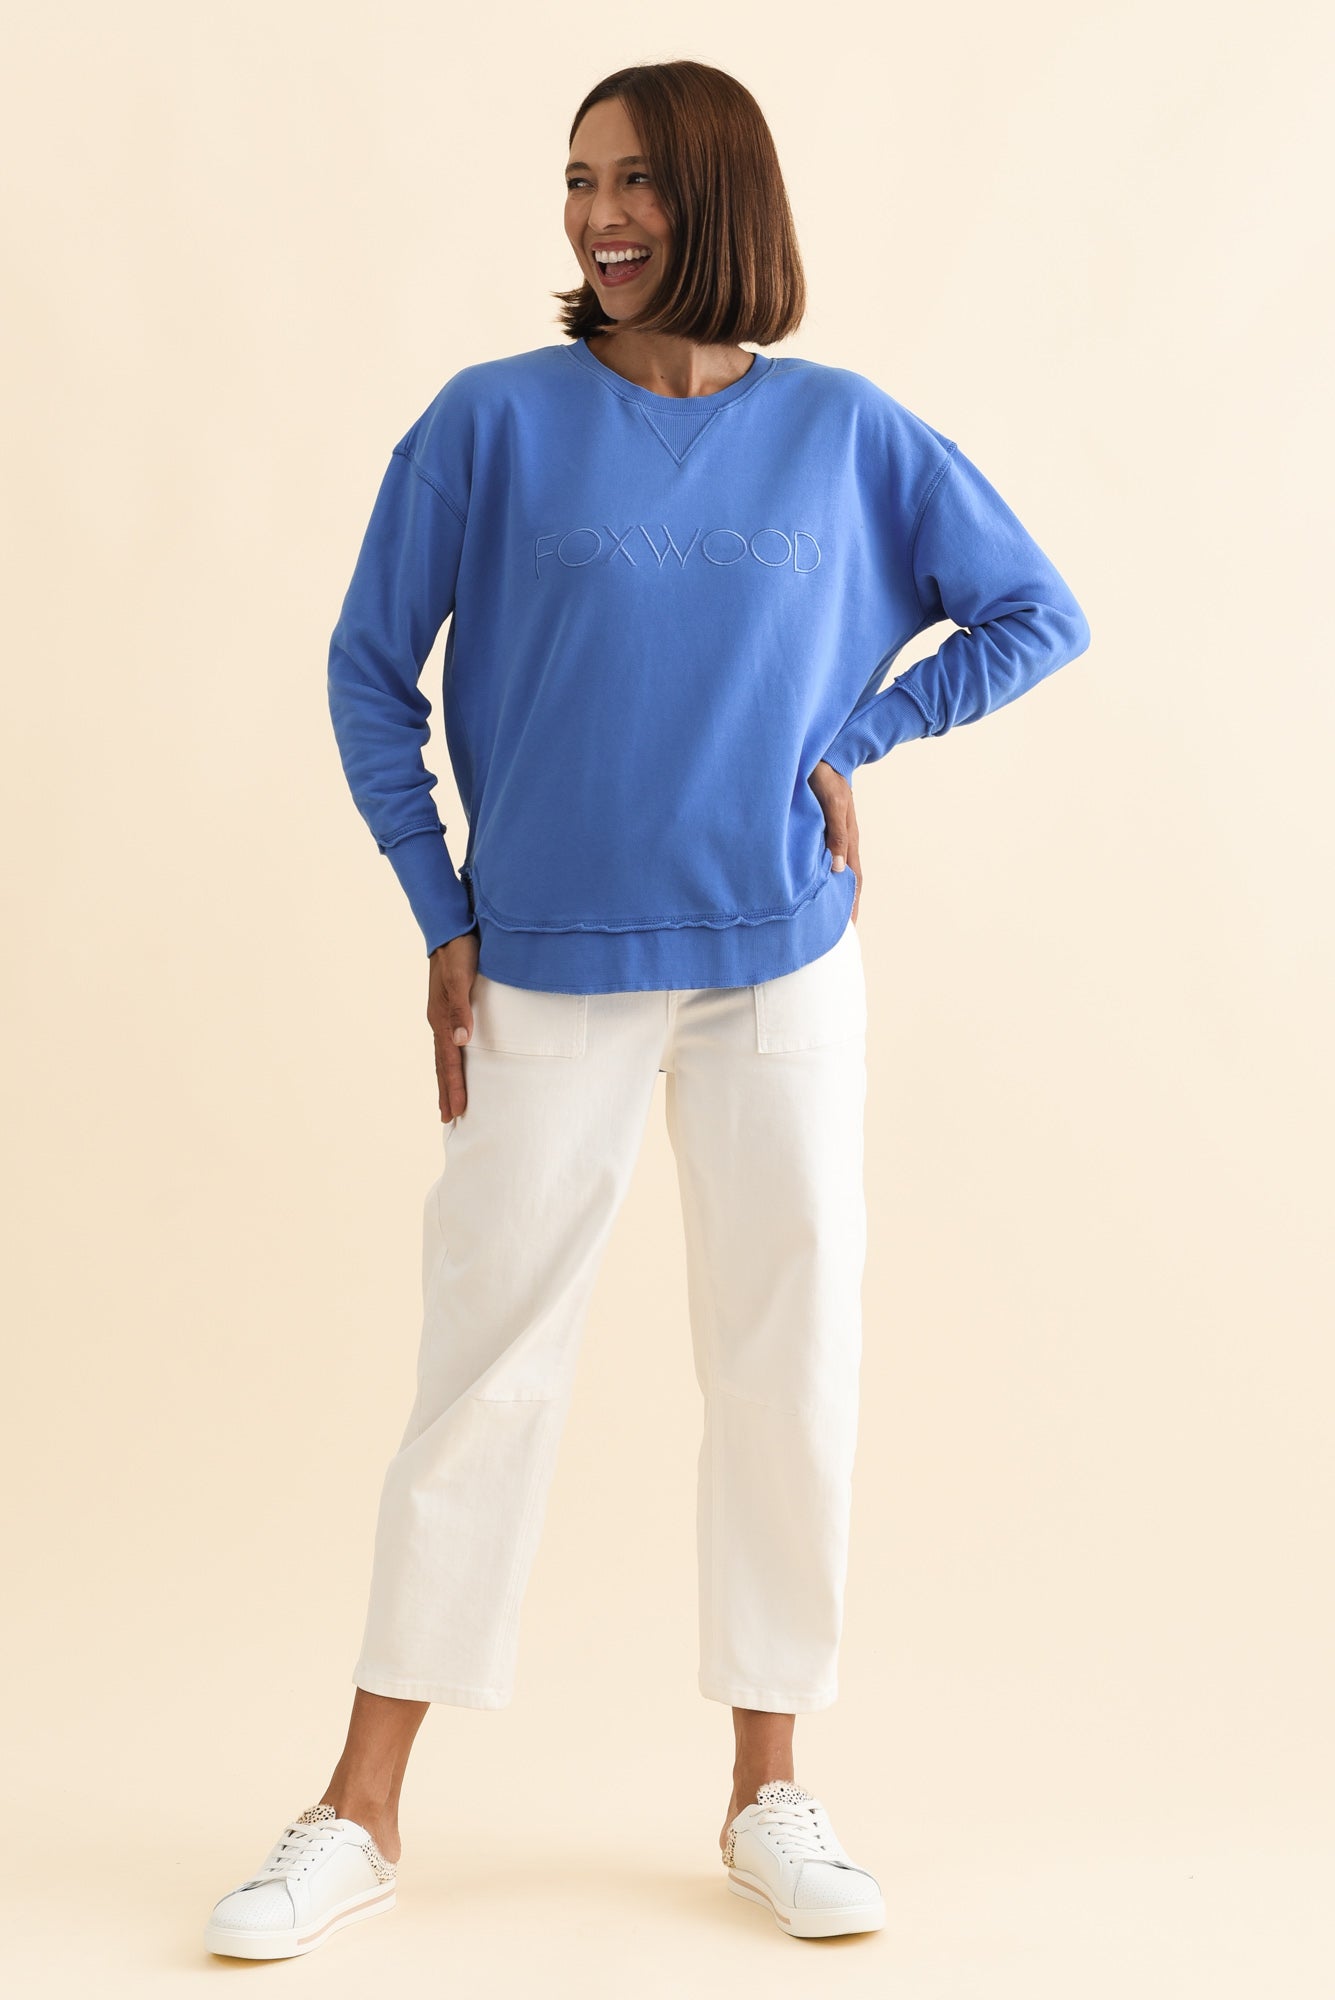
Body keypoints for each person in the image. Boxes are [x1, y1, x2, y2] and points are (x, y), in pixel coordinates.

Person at [204, 58, 1091, 1960]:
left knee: (788, 1359)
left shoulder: (844, 431)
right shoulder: (492, 422)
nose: (600, 217)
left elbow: (1036, 613)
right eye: (580, 181)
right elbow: (368, 672)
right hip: (545, 959)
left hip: (782, 960)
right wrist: (439, 910)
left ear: (720, 198)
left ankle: (770, 1790)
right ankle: (360, 1809)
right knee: (484, 1371)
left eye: (637, 183)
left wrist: (863, 734)